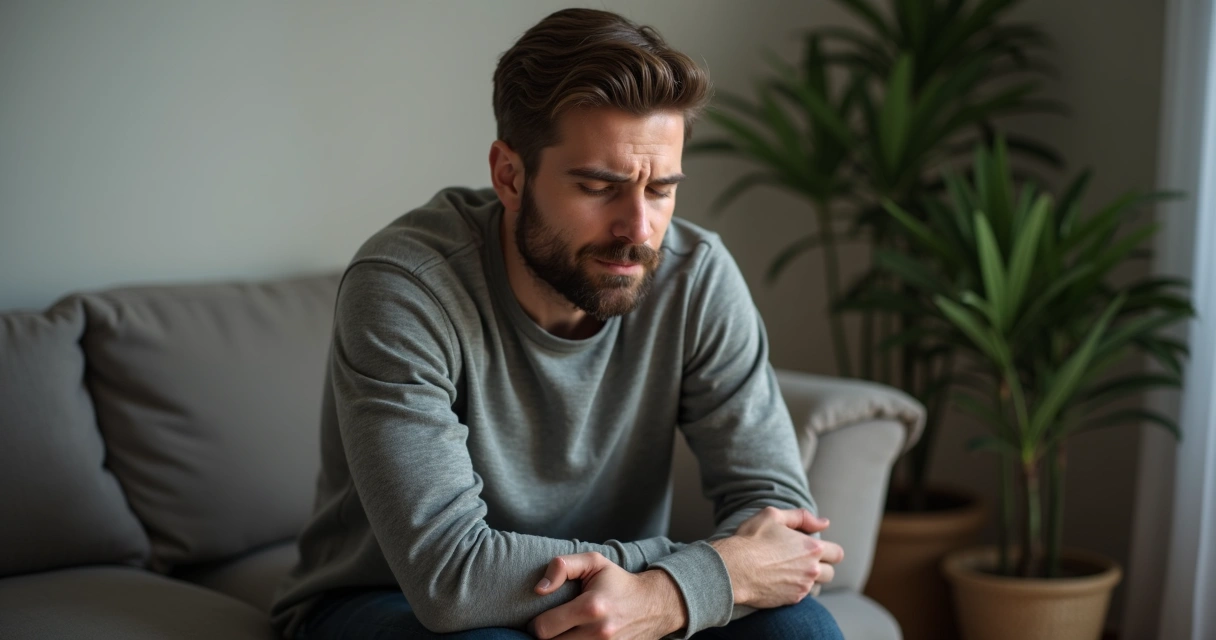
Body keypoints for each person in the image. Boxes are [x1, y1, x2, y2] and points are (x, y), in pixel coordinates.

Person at [270, 8, 846, 640]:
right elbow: (449, 579)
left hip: (615, 604)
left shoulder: (696, 277)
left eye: (660, 190)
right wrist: (682, 582)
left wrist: (660, 596)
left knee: (802, 630)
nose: (638, 229)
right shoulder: (405, 287)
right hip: (389, 598)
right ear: (510, 176)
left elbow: (789, 541)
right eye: (599, 187)